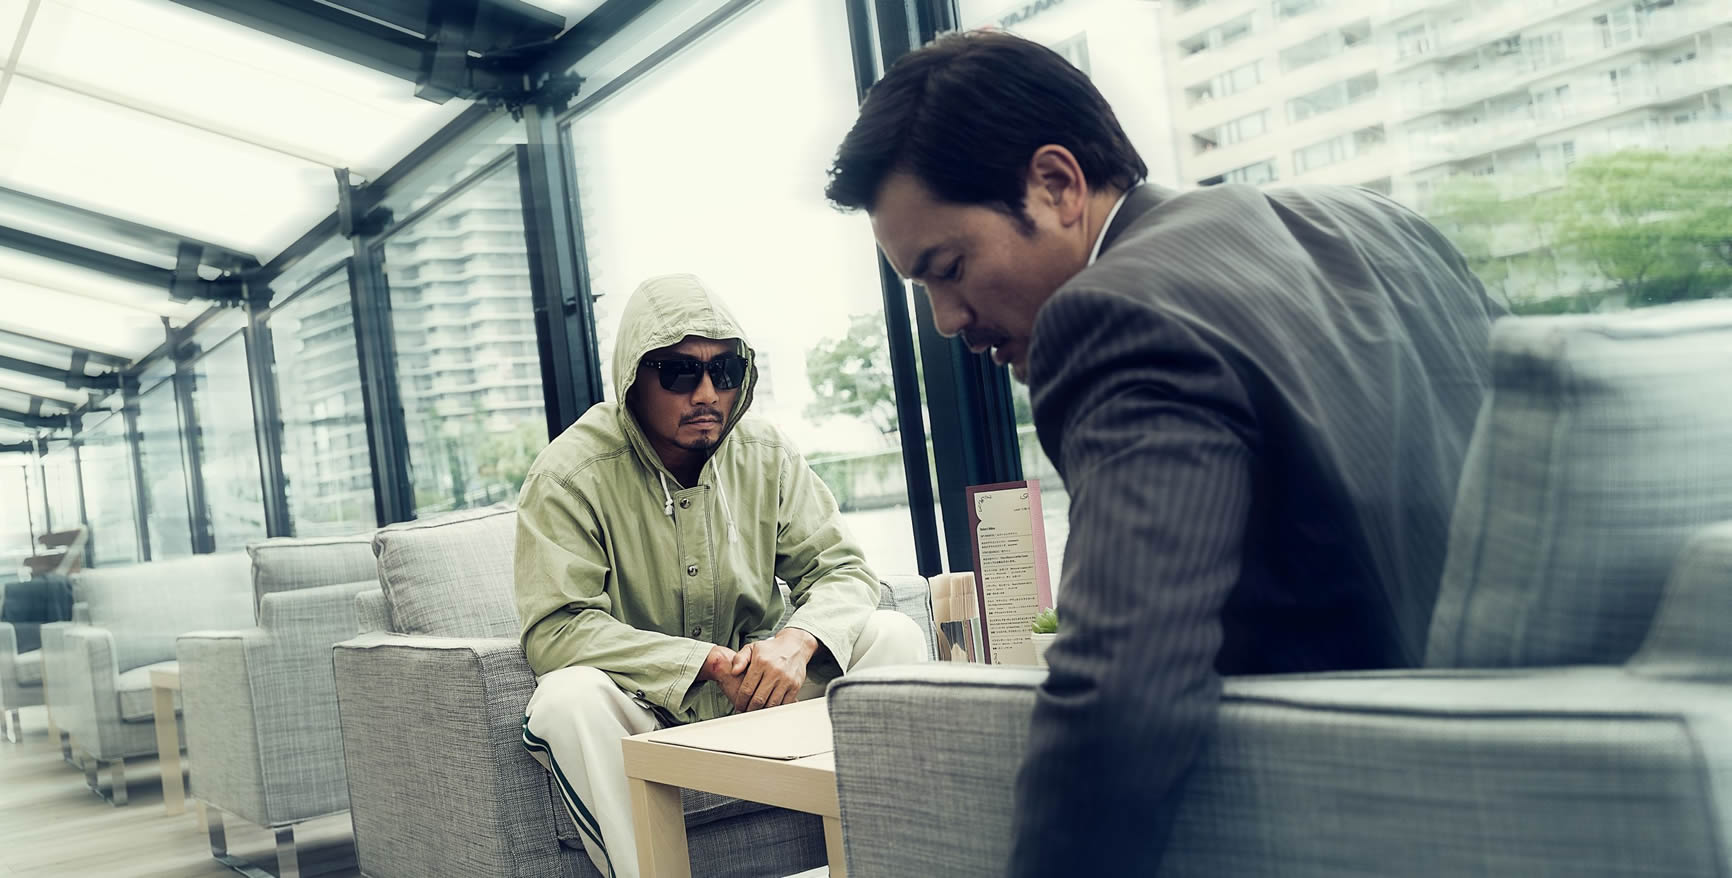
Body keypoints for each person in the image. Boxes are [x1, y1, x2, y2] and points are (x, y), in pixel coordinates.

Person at [826, 31, 1505, 876]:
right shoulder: (1383, 228)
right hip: (1535, 768)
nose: (946, 320)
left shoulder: (1119, 314)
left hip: (1353, 824)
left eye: (949, 267)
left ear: (1057, 185)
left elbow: (1122, 690)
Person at [513, 273, 929, 878]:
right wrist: (700, 663)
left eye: (725, 371)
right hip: (644, 706)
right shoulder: (567, 475)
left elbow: (841, 568)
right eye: (681, 373)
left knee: (893, 635)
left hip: (766, 695)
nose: (707, 393)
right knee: (566, 700)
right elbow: (556, 629)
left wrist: (797, 642)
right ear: (633, 377)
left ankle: (890, 866)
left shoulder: (767, 453)